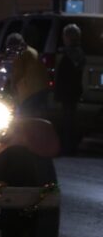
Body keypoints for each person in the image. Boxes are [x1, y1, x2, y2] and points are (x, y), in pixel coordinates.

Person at [54, 23, 86, 155]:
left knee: (67, 121)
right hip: (74, 92)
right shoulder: (79, 53)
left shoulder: (67, 54)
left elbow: (64, 76)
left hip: (68, 93)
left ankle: (67, 147)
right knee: (70, 120)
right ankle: (70, 146)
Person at [5, 33, 50, 118]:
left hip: (30, 92)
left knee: (26, 117)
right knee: (38, 117)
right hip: (42, 88)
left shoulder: (20, 53)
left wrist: (11, 86)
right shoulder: (32, 50)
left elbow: (18, 73)